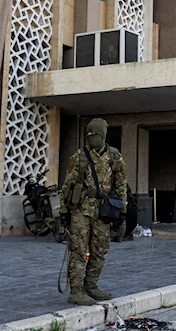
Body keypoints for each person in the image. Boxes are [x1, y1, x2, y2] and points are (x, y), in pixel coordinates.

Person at [59, 118, 128, 305]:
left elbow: (121, 184)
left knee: (100, 250)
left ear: (103, 135)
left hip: (103, 211)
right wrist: (64, 211)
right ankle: (76, 291)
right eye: (88, 134)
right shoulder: (79, 156)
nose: (91, 137)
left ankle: (91, 286)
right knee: (78, 250)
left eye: (94, 134)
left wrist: (122, 210)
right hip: (80, 210)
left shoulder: (114, 156)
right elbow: (68, 185)